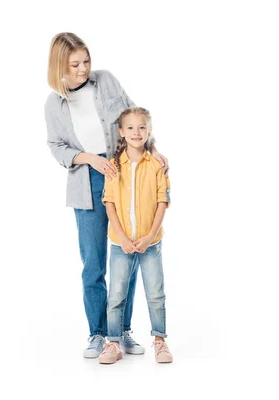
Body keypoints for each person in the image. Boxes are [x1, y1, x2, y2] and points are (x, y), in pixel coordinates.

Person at [44, 33, 169, 358]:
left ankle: (122, 331)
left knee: (125, 257)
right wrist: (88, 158)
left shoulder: (107, 81)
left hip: (122, 177)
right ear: (60, 66)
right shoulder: (53, 104)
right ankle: (98, 334)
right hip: (86, 184)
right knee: (93, 264)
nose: (84, 69)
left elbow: (134, 118)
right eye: (75, 64)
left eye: (86, 61)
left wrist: (154, 149)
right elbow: (57, 147)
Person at [99, 107, 173, 364]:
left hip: (150, 243)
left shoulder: (156, 166)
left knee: (155, 292)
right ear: (121, 132)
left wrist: (150, 234)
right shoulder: (113, 166)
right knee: (116, 294)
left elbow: (162, 201)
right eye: (130, 128)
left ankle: (160, 341)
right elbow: (109, 202)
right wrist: (121, 236)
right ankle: (113, 343)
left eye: (142, 127)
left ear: (149, 131)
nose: (136, 132)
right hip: (121, 243)